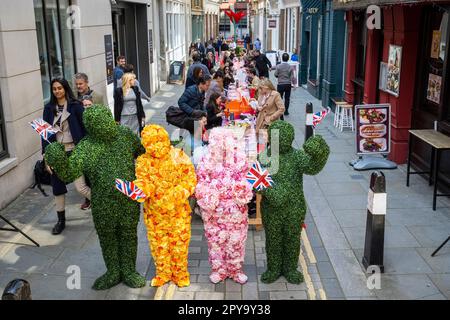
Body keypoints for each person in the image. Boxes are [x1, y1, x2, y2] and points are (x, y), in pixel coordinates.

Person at [42, 78, 91, 234]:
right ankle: (61, 221)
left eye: (60, 88)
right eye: (54, 89)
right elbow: (45, 135)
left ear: (65, 89)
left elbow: (85, 129)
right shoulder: (48, 108)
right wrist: (46, 157)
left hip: (75, 151)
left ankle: (104, 204)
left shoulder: (76, 106)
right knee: (58, 188)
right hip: (57, 153)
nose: (57, 91)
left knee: (81, 187)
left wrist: (86, 150)